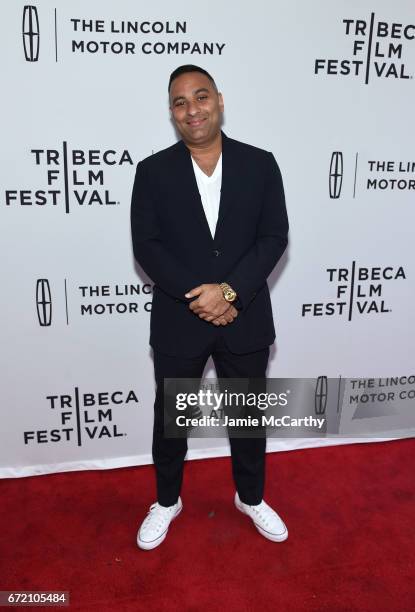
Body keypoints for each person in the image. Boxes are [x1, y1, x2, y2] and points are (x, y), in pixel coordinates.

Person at [130, 64, 289, 550]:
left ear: (219, 100)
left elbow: (273, 237)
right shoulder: (152, 171)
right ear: (172, 113)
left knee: (247, 415)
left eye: (200, 97)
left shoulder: (261, 164)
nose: (191, 109)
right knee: (170, 417)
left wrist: (230, 292)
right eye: (180, 102)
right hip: (181, 318)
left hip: (246, 315)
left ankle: (251, 497)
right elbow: (148, 246)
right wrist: (202, 295)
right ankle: (166, 501)